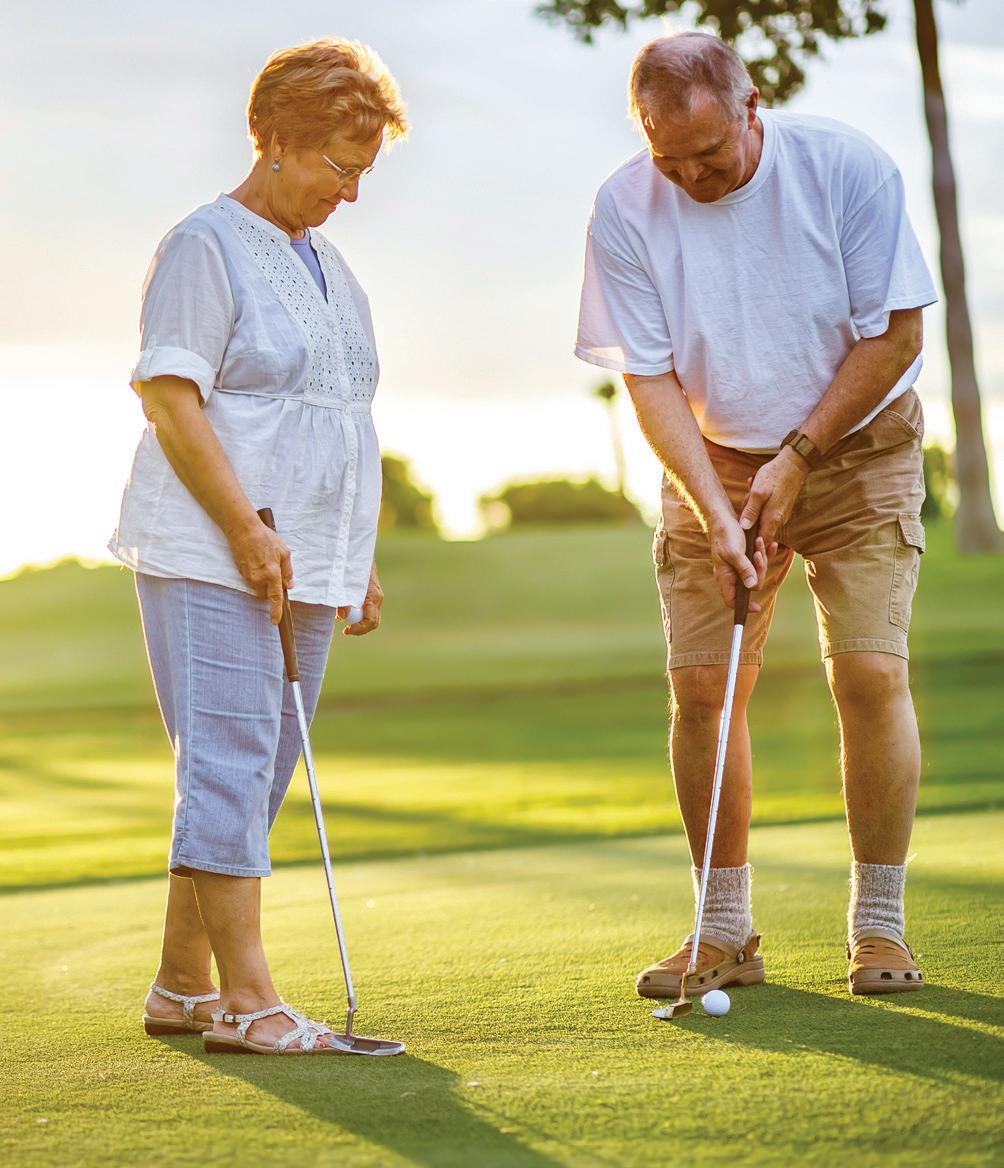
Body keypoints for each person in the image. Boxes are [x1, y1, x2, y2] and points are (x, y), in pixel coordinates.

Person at [575, 31, 937, 998]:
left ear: (751, 106)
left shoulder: (845, 168)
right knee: (704, 688)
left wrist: (799, 457)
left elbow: (898, 335)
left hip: (857, 447)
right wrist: (713, 504)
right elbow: (649, 378)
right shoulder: (623, 207)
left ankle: (879, 926)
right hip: (713, 456)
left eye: (711, 154)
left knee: (868, 670)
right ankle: (723, 930)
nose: (692, 178)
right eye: (669, 159)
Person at [109, 37, 408, 1053]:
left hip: (305, 558)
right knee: (228, 765)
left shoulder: (333, 267)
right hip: (211, 551)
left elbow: (333, 420)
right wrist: (243, 527)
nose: (349, 193)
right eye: (338, 166)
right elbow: (168, 396)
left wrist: (352, 553)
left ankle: (180, 985)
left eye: (362, 173)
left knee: (257, 772)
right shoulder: (205, 244)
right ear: (274, 138)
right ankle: (247, 1001)